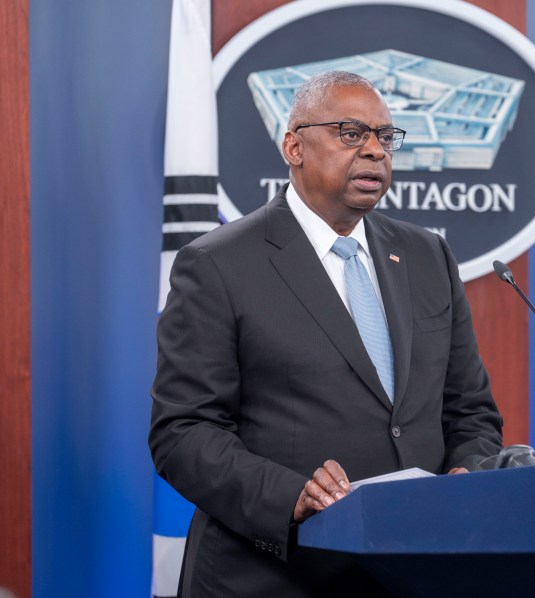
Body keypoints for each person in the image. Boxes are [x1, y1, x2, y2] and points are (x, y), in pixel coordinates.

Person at [149, 71, 504, 596]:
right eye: (351, 133)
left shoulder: (428, 255)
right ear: (293, 145)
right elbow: (183, 431)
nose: (375, 152)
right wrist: (292, 495)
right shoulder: (217, 265)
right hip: (273, 576)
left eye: (386, 137)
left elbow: (469, 409)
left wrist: (468, 471)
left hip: (412, 573)